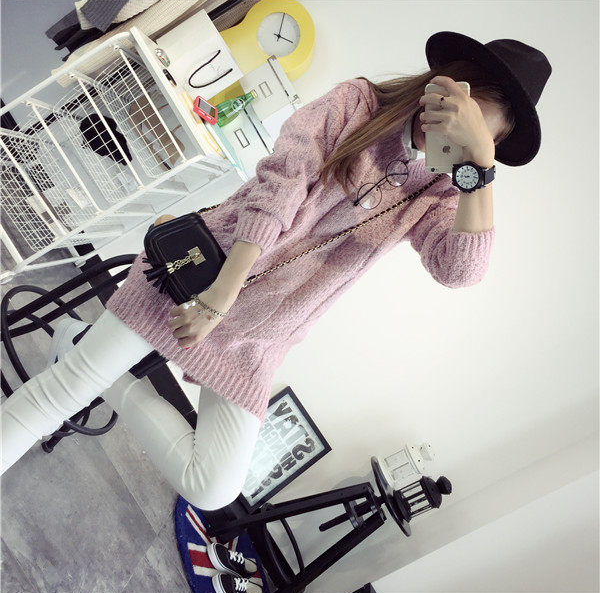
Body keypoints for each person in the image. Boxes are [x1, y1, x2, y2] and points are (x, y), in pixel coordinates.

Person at [0, 32, 551, 511]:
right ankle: (87, 365)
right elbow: (279, 191)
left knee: (214, 486)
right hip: (200, 275)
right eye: (459, 118)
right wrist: (219, 295)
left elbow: (459, 271)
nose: (450, 142)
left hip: (256, 338)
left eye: (477, 142)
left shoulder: (444, 193)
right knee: (59, 395)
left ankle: (85, 352)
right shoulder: (357, 105)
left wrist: (479, 172)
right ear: (444, 85)